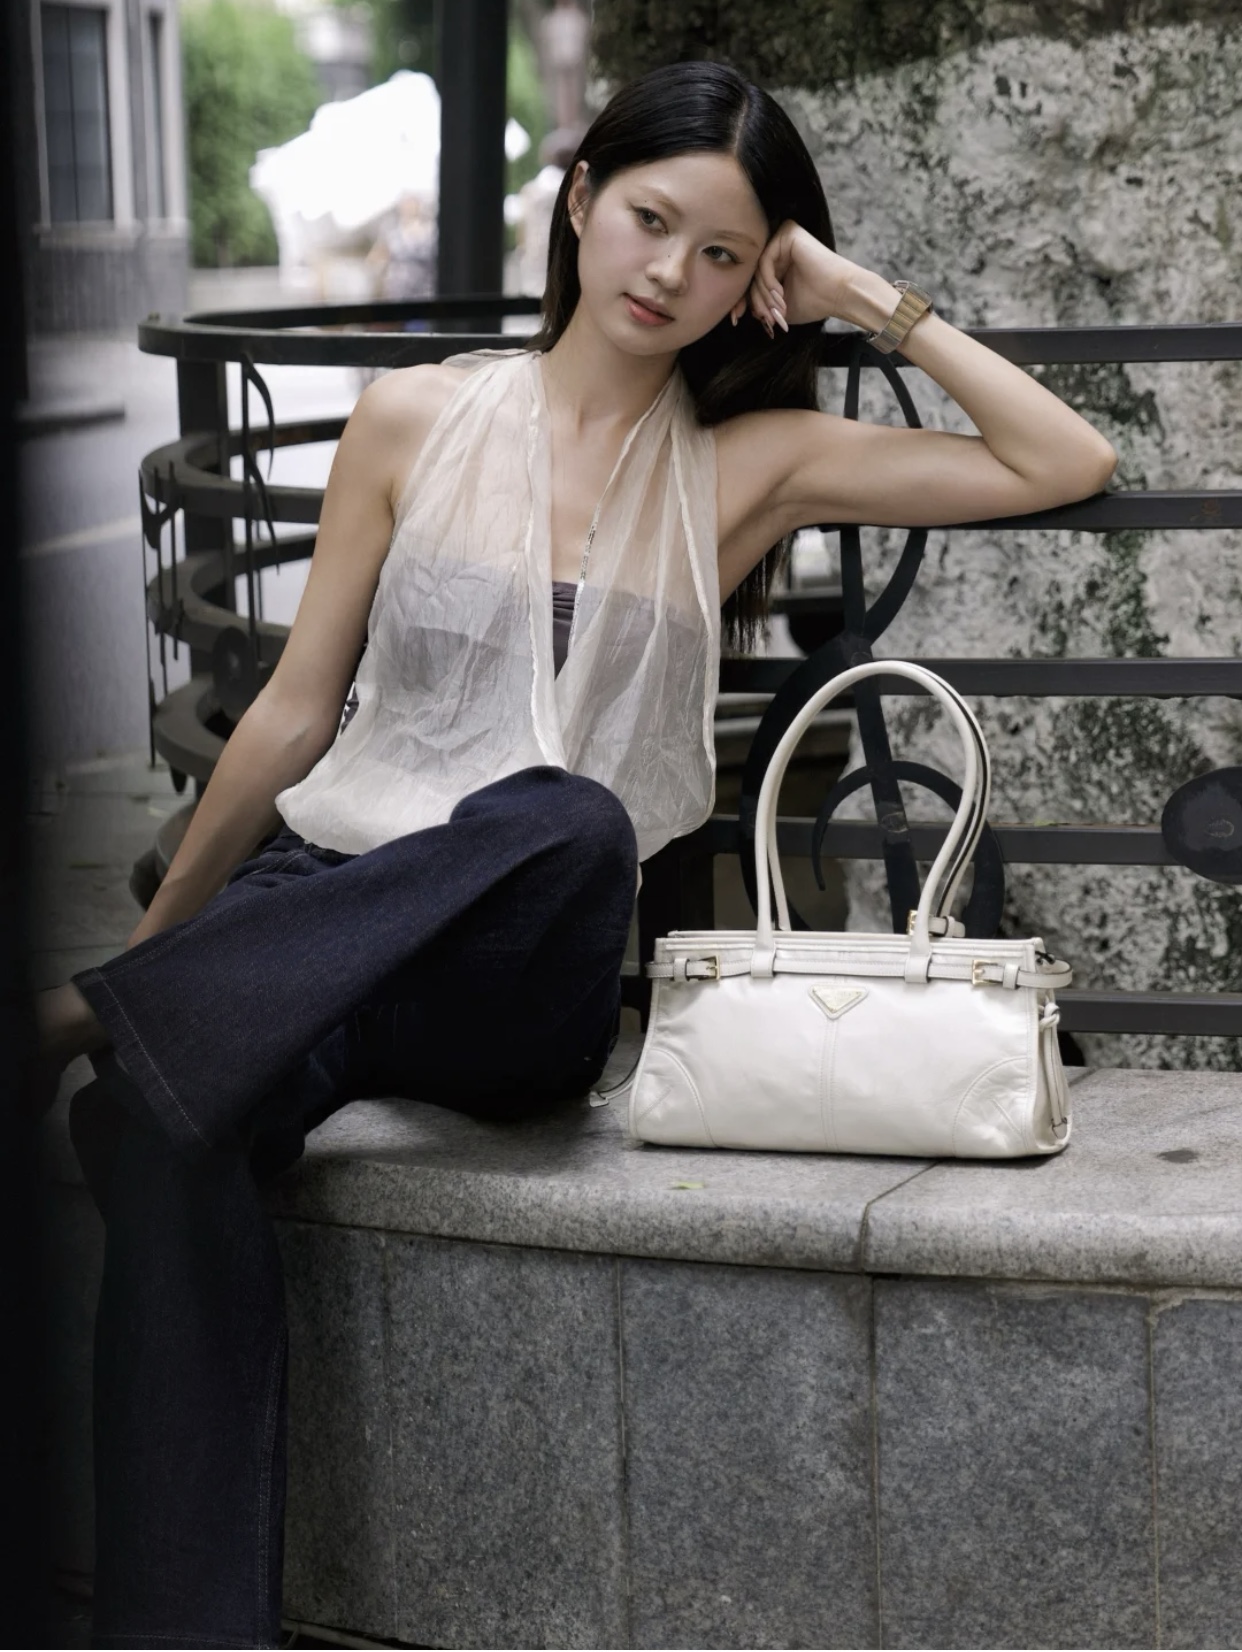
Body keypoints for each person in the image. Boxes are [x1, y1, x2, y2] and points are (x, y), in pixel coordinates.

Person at [34, 59, 1117, 1649]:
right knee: (165, 1128)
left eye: (722, 254)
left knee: (565, 816)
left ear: (754, 281)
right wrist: (161, 956)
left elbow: (1060, 461)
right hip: (322, 908)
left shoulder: (751, 466)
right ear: (582, 201)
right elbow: (294, 716)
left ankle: (89, 1020)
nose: (669, 273)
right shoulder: (413, 418)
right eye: (649, 220)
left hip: (513, 967)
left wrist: (857, 297)